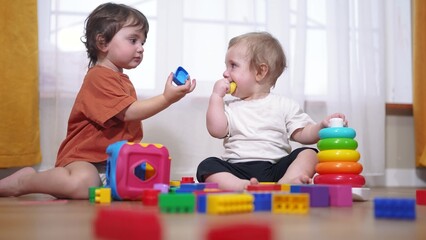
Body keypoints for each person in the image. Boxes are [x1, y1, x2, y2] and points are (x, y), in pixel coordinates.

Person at [0, 3, 196, 199]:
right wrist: (166, 98)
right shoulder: (99, 77)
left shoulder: (119, 79)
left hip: (111, 160)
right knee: (84, 183)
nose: (141, 48)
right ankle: (24, 181)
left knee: (139, 182)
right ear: (103, 43)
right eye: (133, 40)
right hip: (84, 158)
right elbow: (129, 112)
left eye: (142, 42)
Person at [196, 32, 346, 191]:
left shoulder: (284, 104)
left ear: (260, 72)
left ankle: (287, 181)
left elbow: (304, 134)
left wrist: (321, 127)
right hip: (237, 169)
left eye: (233, 65)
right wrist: (216, 97)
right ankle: (240, 186)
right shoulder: (229, 106)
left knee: (310, 153)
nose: (225, 73)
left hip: (276, 168)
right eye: (226, 66)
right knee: (207, 165)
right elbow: (216, 130)